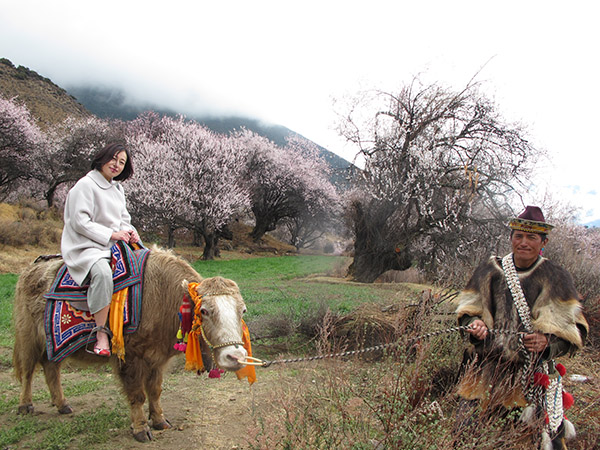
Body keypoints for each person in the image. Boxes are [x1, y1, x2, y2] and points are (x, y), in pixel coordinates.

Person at [454, 206, 588, 448]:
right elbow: (467, 312)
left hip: (531, 379)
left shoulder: (556, 277)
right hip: (484, 373)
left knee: (530, 441)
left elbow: (575, 331)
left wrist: (548, 344)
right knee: (466, 437)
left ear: (543, 242)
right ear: (511, 238)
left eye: (532, 237)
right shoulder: (488, 271)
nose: (524, 242)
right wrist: (474, 325)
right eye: (518, 236)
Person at [61, 143, 140, 356]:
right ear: (102, 158)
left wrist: (130, 232)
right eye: (113, 159)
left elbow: (124, 219)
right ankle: (100, 332)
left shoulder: (117, 189)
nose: (116, 165)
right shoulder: (84, 185)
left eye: (122, 162)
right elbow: (79, 222)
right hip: (87, 246)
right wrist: (111, 234)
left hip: (113, 244)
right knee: (103, 273)